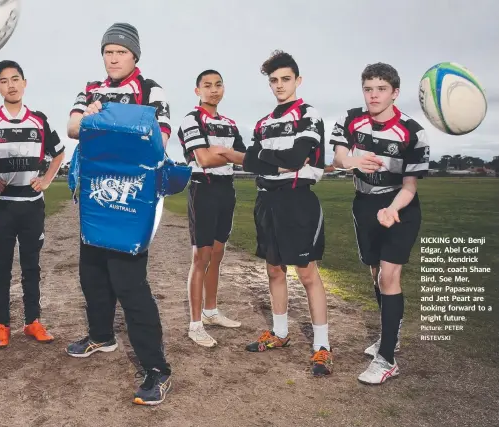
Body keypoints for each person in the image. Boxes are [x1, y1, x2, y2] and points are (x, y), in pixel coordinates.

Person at [65, 22, 172, 406]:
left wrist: (102, 120)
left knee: (129, 283)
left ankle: (157, 369)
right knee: (91, 273)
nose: (113, 58)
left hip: (133, 196)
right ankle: (102, 336)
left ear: (134, 55)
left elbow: (158, 140)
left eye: (120, 51)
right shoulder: (90, 89)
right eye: (107, 51)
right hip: (96, 193)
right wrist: (97, 119)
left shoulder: (151, 89)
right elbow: (73, 126)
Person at [213, 50, 333, 376]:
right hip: (266, 200)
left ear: (298, 80)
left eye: (285, 79)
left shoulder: (309, 114)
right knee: (274, 271)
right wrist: (265, 156)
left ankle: (322, 346)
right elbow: (250, 162)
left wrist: (262, 155)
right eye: (274, 81)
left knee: (307, 274)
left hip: (298, 201)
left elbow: (295, 158)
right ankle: (280, 334)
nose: (279, 85)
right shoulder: (264, 123)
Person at [330, 63, 429, 385]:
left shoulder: (412, 132)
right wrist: (353, 161)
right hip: (364, 204)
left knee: (389, 275)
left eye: (381, 89)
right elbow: (338, 159)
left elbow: (410, 186)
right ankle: (391, 334)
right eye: (368, 88)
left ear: (395, 93)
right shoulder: (351, 119)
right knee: (375, 273)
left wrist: (392, 209)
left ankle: (387, 360)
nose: (373, 95)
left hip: (399, 206)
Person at [0, 60, 65, 348]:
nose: (11, 84)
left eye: (16, 79)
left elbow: (58, 153)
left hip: (32, 206)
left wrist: (46, 179)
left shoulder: (40, 120)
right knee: (1, 268)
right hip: (2, 207)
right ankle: (2, 325)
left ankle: (32, 321)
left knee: (31, 266)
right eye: (4, 81)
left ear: (24, 83)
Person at [177, 69, 246, 348]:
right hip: (202, 189)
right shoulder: (191, 119)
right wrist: (228, 155)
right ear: (198, 91)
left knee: (217, 254)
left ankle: (211, 311)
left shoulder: (229, 123)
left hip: (226, 189)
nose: (213, 90)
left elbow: (245, 158)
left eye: (218, 85)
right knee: (201, 258)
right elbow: (203, 159)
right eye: (207, 85)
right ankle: (195, 324)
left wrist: (226, 155)